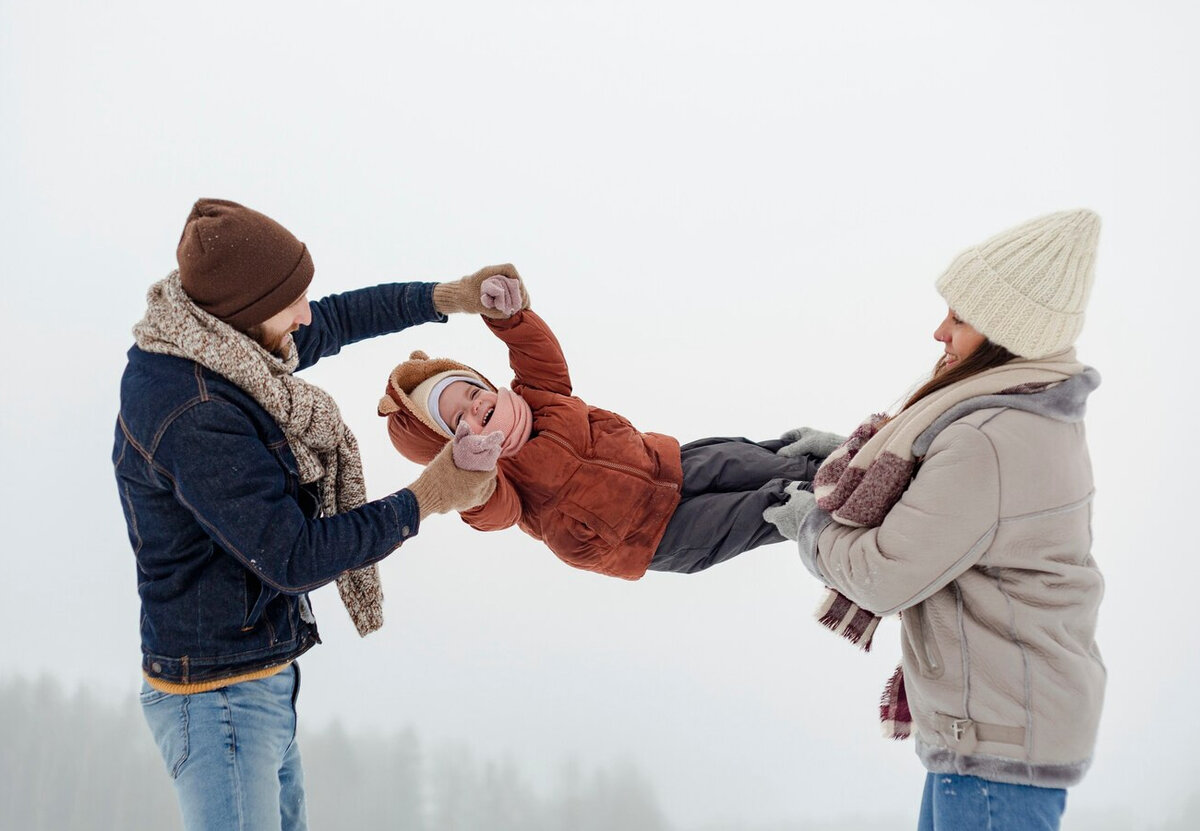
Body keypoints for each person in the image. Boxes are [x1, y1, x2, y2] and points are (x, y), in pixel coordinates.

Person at [112, 198, 512, 831]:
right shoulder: (194, 412)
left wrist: (451, 296)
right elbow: (292, 555)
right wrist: (431, 495)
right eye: (290, 303)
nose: (305, 315)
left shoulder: (225, 343)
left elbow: (336, 317)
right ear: (243, 313)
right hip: (219, 703)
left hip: (256, 678)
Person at [765, 209, 1105, 830]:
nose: (939, 332)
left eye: (960, 318)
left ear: (1008, 334)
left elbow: (884, 574)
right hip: (1006, 734)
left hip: (996, 748)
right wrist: (846, 455)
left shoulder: (989, 438)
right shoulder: (1030, 414)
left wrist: (810, 526)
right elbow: (952, 504)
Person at [378, 276, 835, 579]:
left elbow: (537, 353)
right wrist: (469, 477)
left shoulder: (539, 395)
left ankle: (826, 459)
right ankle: (827, 506)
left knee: (743, 459)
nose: (478, 409)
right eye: (459, 419)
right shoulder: (498, 480)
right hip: (645, 535)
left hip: (665, 463)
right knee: (761, 508)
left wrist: (510, 318)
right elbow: (492, 511)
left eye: (473, 393)